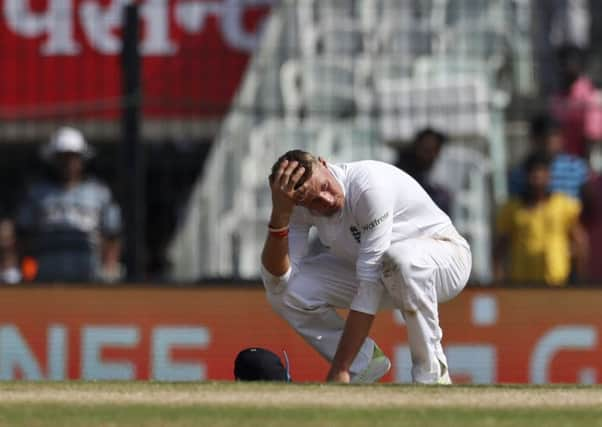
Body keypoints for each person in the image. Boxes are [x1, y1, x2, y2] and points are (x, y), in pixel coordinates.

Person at [260, 150, 471, 384]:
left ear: (323, 163)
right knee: (285, 294)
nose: (326, 200)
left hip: (446, 258)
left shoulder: (368, 187)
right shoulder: (297, 204)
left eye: (325, 187)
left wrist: (341, 367)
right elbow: (277, 280)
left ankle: (432, 373)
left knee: (400, 259)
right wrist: (280, 215)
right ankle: (365, 362)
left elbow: (368, 286)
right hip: (385, 271)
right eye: (314, 203)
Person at [16, 127, 123, 282]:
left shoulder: (99, 193)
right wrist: (26, 270)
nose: (68, 163)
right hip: (47, 268)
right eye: (63, 157)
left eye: (73, 157)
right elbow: (24, 235)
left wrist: (108, 268)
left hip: (87, 269)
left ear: (82, 159)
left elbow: (112, 234)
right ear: (54, 159)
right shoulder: (37, 193)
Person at [495, 152, 588, 286]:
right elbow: (500, 248)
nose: (537, 177)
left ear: (550, 176)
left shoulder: (564, 205)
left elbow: (580, 243)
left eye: (542, 172)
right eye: (533, 173)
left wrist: (579, 280)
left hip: (557, 283)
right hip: (521, 285)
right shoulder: (512, 208)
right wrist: (499, 284)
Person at [509, 114, 589, 199]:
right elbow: (516, 204)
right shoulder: (520, 173)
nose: (549, 142)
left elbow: (588, 201)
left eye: (554, 136)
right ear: (533, 139)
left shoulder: (576, 167)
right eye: (543, 137)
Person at [550, 45, 602, 160]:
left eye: (570, 62)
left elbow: (592, 137)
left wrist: (586, 167)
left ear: (579, 65)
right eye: (562, 63)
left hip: (590, 157)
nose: (566, 67)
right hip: (565, 158)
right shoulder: (557, 96)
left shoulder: (590, 92)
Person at [394, 128, 452, 214]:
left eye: (435, 150)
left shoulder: (428, 171)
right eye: (427, 150)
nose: (432, 155)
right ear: (417, 147)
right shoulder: (404, 170)